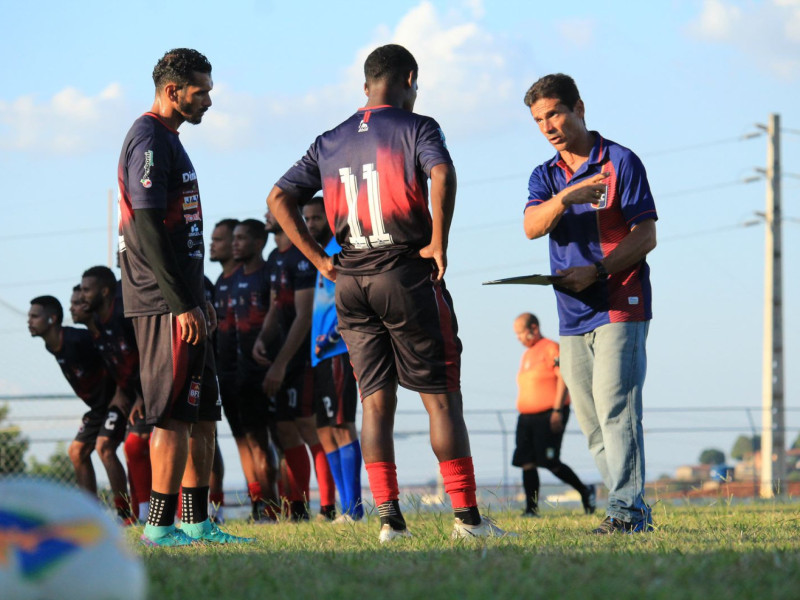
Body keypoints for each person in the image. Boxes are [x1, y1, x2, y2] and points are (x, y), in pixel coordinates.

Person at [264, 44, 507, 542]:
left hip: (350, 281)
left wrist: (319, 260)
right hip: (404, 272)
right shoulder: (417, 127)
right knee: (441, 401)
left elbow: (277, 197)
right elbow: (441, 171)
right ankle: (467, 521)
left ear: (366, 85)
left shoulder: (329, 140)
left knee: (375, 403)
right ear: (410, 79)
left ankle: (390, 522)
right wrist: (439, 238)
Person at [117, 47, 249, 546]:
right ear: (174, 91)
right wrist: (179, 302)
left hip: (188, 300)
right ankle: (160, 526)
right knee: (173, 414)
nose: (209, 101)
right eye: (202, 91)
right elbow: (147, 224)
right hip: (161, 302)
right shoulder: (148, 136)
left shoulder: (172, 140)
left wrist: (199, 296)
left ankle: (196, 521)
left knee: (201, 412)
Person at [522, 73, 657, 533]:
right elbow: (532, 226)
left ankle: (627, 511)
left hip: (621, 300)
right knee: (592, 420)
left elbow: (647, 235)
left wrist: (599, 270)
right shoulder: (544, 175)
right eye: (539, 120)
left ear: (579, 108)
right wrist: (568, 197)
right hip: (572, 314)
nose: (548, 126)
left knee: (617, 405)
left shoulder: (621, 161)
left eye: (555, 113)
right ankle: (628, 506)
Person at [253, 211, 336, 522]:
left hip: (302, 358)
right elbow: (277, 305)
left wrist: (281, 365)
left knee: (309, 427)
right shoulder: (275, 256)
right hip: (281, 356)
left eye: (271, 212)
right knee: (286, 431)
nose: (266, 216)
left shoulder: (303, 254)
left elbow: (304, 316)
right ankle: (297, 509)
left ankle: (328, 507)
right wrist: (263, 338)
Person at [27, 294, 131, 521]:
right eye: (29, 316)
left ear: (52, 319)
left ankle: (125, 515)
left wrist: (121, 392)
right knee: (77, 452)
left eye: (35, 316)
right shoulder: (53, 346)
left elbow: (113, 355)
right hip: (98, 409)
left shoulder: (78, 339)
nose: (29, 321)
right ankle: (91, 517)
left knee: (105, 447)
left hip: (117, 400)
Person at [302, 196, 363, 521]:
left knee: (342, 425)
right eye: (306, 219)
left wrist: (336, 333)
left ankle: (354, 508)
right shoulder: (319, 253)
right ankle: (344, 507)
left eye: (314, 218)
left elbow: (350, 297)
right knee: (325, 430)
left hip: (338, 351)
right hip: (320, 356)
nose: (309, 224)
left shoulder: (339, 249)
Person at [80, 267, 153, 522]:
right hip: (129, 394)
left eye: (87, 289)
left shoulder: (124, 315)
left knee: (136, 446)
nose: (82, 295)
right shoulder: (100, 322)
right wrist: (122, 392)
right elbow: (119, 362)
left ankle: (149, 512)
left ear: (105, 291)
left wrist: (143, 395)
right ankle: (127, 514)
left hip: (150, 388)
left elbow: (147, 353)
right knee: (107, 446)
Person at [512, 312, 595, 517]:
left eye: (520, 333)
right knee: (527, 461)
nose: (518, 338)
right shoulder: (527, 355)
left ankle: (585, 491)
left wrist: (557, 410)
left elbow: (563, 378)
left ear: (533, 329)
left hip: (549, 414)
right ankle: (531, 509)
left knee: (549, 461)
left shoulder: (551, 348)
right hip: (526, 417)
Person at [229, 218, 280, 520]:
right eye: (233, 238)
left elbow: (280, 314)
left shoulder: (268, 274)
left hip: (269, 369)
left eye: (241, 238)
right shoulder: (234, 279)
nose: (236, 243)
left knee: (280, 440)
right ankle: (265, 507)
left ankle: (287, 505)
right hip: (241, 374)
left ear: (259, 243)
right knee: (254, 443)